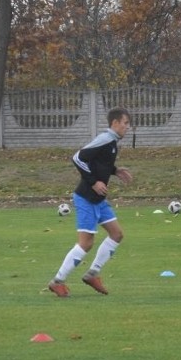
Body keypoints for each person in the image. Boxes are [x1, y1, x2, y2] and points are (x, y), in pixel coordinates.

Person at [47, 107, 133, 297]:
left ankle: (92, 274)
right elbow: (78, 158)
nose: (128, 127)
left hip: (99, 200)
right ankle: (57, 281)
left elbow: (98, 163)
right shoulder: (105, 139)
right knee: (86, 243)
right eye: (126, 123)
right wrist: (94, 182)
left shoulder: (112, 143)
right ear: (115, 123)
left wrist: (115, 170)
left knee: (117, 234)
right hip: (86, 198)